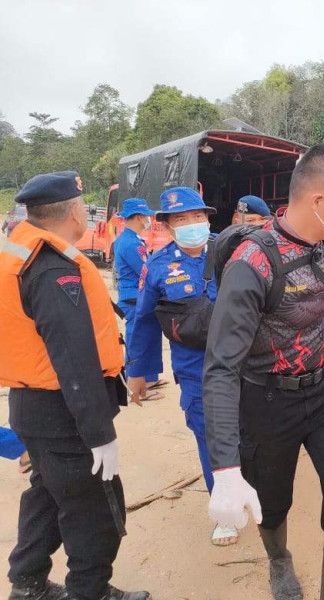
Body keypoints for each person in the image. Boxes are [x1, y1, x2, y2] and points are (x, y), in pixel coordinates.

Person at [203, 144, 324, 600]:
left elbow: (308, 302)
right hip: (268, 402)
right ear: (320, 200)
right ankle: (279, 562)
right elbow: (220, 368)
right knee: (273, 504)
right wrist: (225, 468)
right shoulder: (252, 263)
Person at [0, 171, 149, 600]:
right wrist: (99, 434)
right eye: (84, 205)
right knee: (94, 509)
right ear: (71, 212)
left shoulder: (25, 251)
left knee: (47, 493)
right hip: (63, 411)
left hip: (35, 405)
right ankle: (91, 591)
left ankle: (27, 583)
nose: (86, 212)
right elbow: (74, 360)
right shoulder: (50, 268)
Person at [125, 187, 237, 547]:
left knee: (250, 431)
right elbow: (142, 321)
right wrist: (139, 372)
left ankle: (245, 484)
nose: (192, 224)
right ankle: (224, 510)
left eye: (197, 217)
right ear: (169, 227)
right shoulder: (158, 266)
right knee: (209, 436)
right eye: (181, 219)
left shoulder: (233, 248)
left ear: (208, 219)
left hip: (245, 361)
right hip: (195, 368)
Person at [112, 198, 166, 400]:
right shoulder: (131, 243)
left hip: (137, 297)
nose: (148, 220)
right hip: (135, 298)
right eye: (146, 216)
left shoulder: (128, 239)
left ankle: (149, 379)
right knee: (138, 341)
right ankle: (135, 389)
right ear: (137, 217)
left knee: (149, 337)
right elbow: (145, 271)